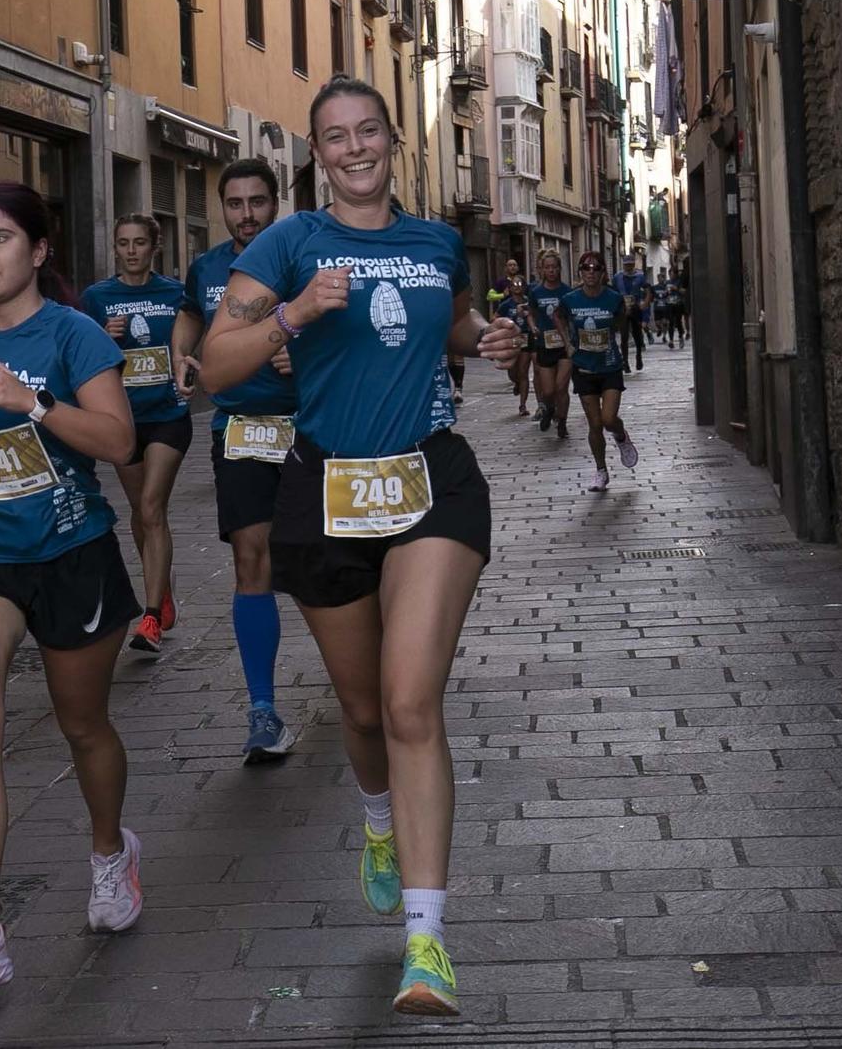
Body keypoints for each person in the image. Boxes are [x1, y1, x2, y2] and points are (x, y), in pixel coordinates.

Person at [199, 77, 522, 1017]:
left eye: (368, 131)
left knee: (410, 699)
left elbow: (449, 321)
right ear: (317, 154)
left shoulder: (433, 241)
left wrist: (487, 337)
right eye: (335, 137)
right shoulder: (287, 243)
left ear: (390, 141)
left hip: (431, 481)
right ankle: (378, 817)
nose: (355, 149)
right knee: (363, 708)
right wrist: (293, 314)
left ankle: (427, 943)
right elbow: (215, 365)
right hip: (326, 489)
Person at [0, 182, 145, 997]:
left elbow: (119, 440)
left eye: (1, 238)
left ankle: (111, 851)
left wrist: (33, 400)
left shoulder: (75, 334)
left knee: (83, 727)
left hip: (71, 552)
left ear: (39, 251)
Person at [178, 157, 300, 762]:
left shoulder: (304, 259)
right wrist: (182, 353)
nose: (246, 214)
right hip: (241, 430)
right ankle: (262, 710)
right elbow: (190, 315)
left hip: (310, 431)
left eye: (257, 202)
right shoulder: (207, 268)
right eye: (234, 203)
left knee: (320, 564)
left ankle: (365, 676)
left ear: (275, 203)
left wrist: (302, 355)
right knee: (252, 559)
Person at [81, 216, 192, 654]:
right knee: (140, 512)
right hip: (123, 421)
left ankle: (149, 619)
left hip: (168, 414)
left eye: (139, 243)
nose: (131, 251)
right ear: (114, 248)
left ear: (154, 247)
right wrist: (102, 338)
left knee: (151, 506)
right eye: (123, 243)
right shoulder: (97, 298)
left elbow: (191, 342)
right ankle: (160, 586)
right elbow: (80, 357)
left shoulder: (175, 294)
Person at [558, 252, 641, 492]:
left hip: (609, 365)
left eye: (596, 268)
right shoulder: (570, 299)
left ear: (603, 272)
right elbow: (557, 316)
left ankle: (621, 436)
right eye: (586, 268)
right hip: (584, 367)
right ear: (580, 272)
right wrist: (567, 343)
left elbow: (621, 326)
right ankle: (601, 470)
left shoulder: (613, 298)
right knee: (594, 424)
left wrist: (627, 316)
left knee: (608, 419)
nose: (591, 272)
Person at [525, 251, 572, 439]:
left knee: (561, 387)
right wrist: (533, 326)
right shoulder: (536, 292)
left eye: (554, 267)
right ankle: (550, 409)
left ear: (559, 268)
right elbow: (530, 313)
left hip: (564, 345)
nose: (551, 271)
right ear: (542, 270)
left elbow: (572, 316)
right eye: (547, 267)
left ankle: (563, 422)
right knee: (548, 391)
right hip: (544, 344)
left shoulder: (567, 292)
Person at [493, 277, 533, 416]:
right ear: (510, 288)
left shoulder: (529, 301)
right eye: (514, 284)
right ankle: (517, 383)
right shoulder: (506, 304)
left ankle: (523, 405)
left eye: (520, 284)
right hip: (511, 340)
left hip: (526, 338)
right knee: (513, 372)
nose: (517, 286)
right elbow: (495, 318)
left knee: (523, 372)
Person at [611, 254, 650, 373]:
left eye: (630, 265)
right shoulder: (617, 277)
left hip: (635, 308)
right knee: (624, 336)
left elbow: (647, 291)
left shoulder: (640, 276)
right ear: (623, 265)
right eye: (626, 265)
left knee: (637, 335)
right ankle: (625, 362)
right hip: (623, 309)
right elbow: (612, 293)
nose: (628, 267)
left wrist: (645, 304)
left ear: (633, 264)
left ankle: (639, 356)